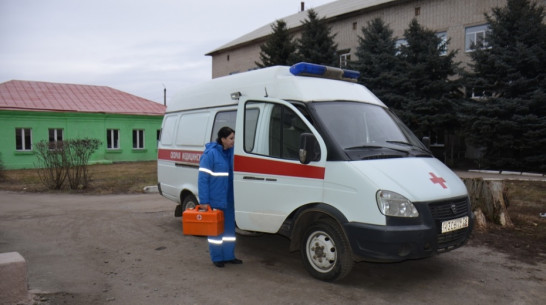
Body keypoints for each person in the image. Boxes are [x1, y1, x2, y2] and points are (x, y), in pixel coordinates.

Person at [198, 126, 242, 268]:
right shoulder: (210, 154)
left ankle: (229, 256)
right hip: (215, 199)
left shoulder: (232, 152)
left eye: (233, 138)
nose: (233, 141)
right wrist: (204, 201)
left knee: (229, 231)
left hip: (229, 199)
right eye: (231, 138)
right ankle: (217, 258)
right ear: (222, 139)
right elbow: (203, 179)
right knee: (216, 231)